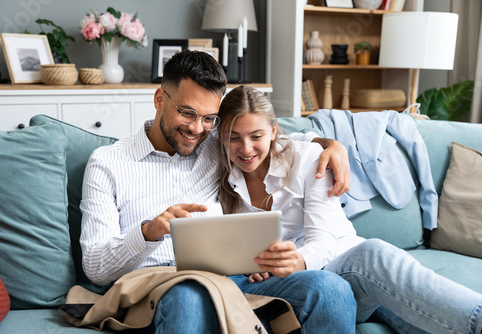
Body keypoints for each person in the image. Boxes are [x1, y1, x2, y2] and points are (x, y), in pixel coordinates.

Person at [80, 50, 357, 333]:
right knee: (189, 297)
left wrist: (328, 144)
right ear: (160, 99)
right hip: (155, 283)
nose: (196, 129)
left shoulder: (216, 144)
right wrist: (149, 231)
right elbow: (95, 268)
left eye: (209, 118)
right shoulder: (107, 163)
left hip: (227, 279)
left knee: (330, 289)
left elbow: (267, 135)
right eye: (187, 113)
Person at [217, 85, 482, 334]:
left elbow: (324, 240)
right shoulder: (216, 171)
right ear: (220, 136)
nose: (246, 149)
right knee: (373, 258)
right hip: (293, 285)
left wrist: (296, 260)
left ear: (274, 131)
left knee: (376, 259)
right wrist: (248, 265)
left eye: (256, 136)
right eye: (234, 138)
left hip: (342, 265)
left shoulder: (308, 158)